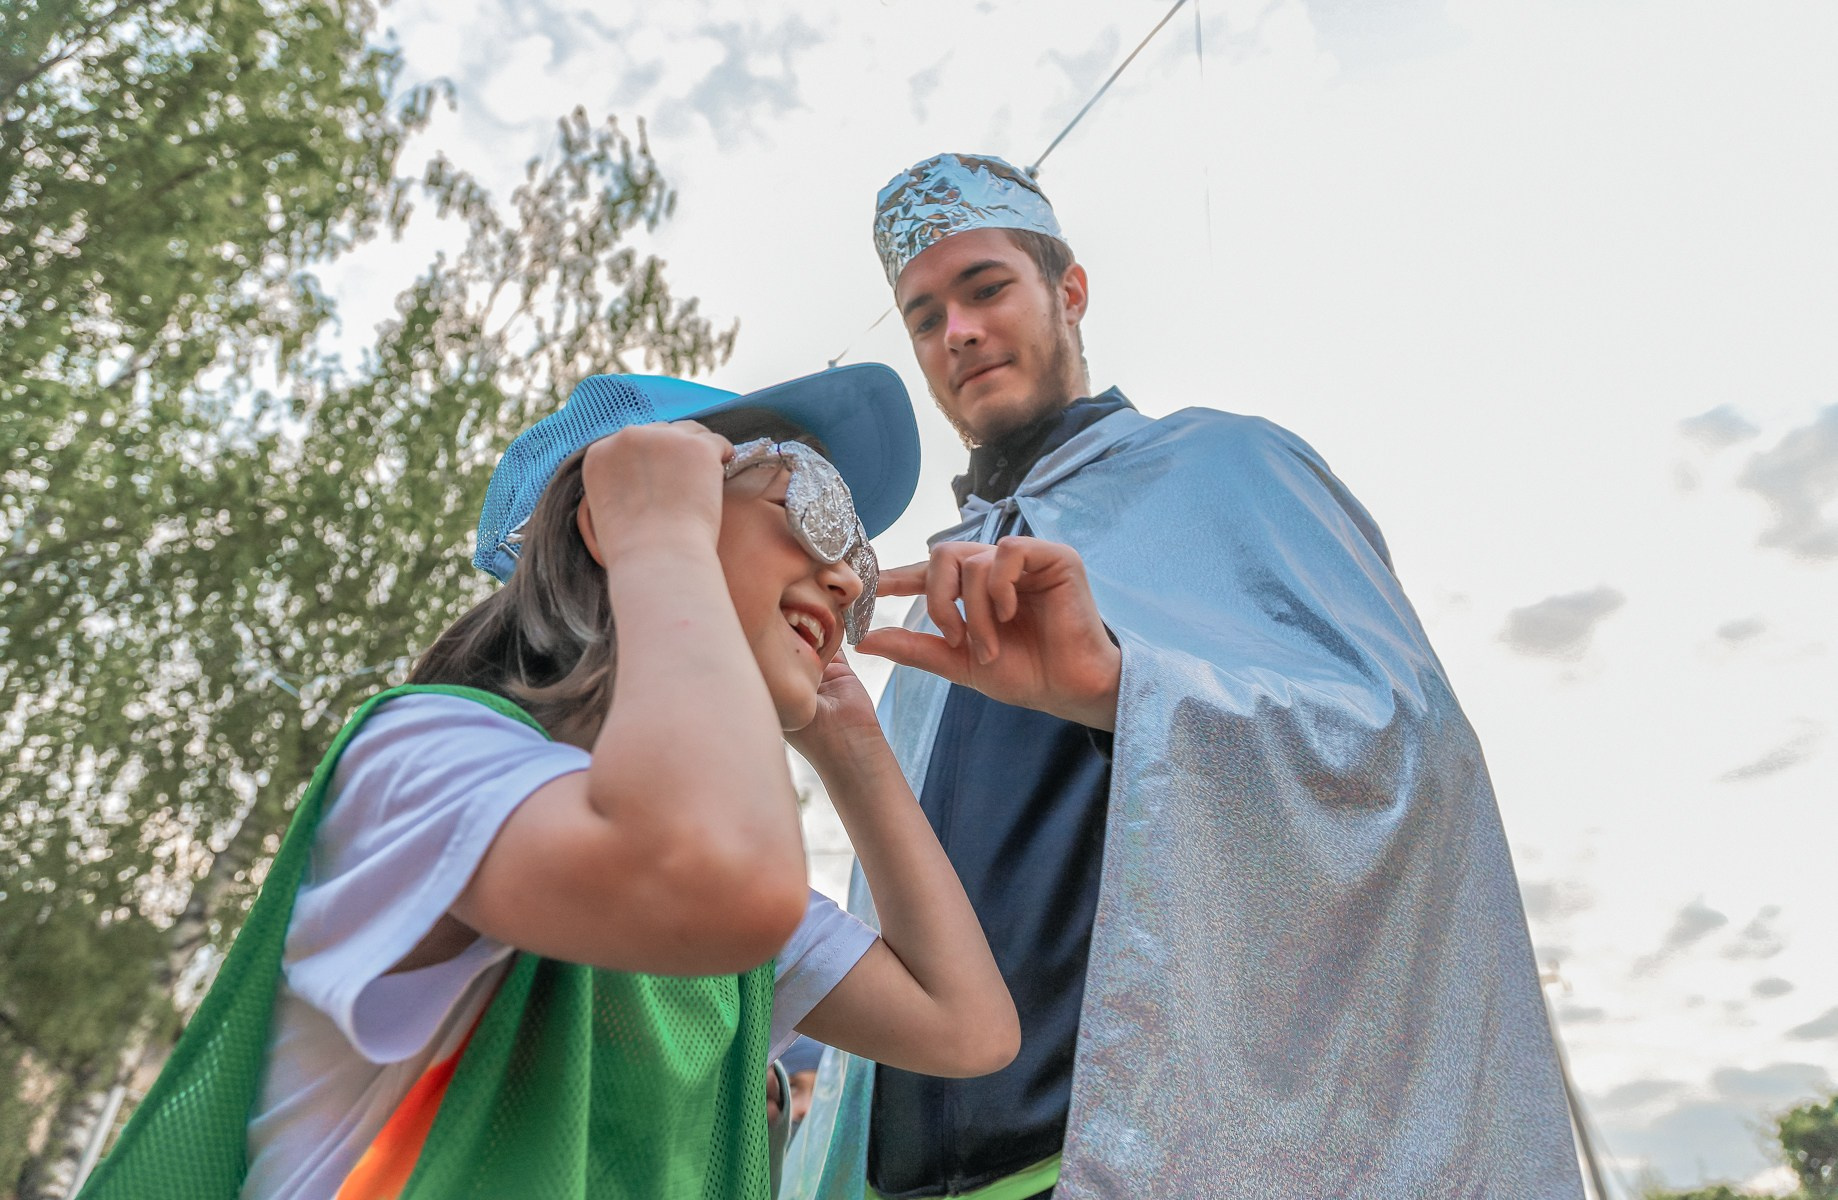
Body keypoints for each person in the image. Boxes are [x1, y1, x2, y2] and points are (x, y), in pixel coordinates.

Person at [783, 155, 1584, 1198]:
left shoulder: (1228, 471)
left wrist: (1125, 692)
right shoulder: (928, 617)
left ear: (1068, 291)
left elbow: (1412, 748)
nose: (958, 333)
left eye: (985, 288)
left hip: (1149, 1163)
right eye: (923, 315)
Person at [77, 364, 1019, 1200]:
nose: (847, 579)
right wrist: (660, 539)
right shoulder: (432, 756)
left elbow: (966, 1027)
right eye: (811, 507)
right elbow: (715, 874)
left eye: (851, 544)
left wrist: (848, 736)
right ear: (619, 515)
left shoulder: (711, 898)